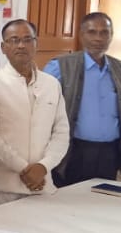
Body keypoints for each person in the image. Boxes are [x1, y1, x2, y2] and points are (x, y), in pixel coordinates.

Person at [0, 19, 69, 208]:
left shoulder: (51, 84)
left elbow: (61, 132)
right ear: (3, 47)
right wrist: (24, 168)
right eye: (14, 40)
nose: (21, 45)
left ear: (36, 44)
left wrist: (43, 166)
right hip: (0, 190)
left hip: (42, 186)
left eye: (27, 39)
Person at [44, 12, 121, 186]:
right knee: (70, 198)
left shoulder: (118, 68)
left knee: (102, 198)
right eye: (92, 32)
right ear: (81, 34)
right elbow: (42, 108)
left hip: (110, 153)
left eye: (104, 32)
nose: (98, 38)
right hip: (74, 151)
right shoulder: (60, 66)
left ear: (111, 36)